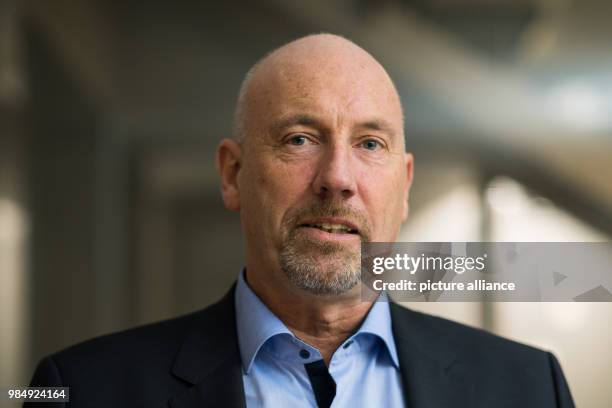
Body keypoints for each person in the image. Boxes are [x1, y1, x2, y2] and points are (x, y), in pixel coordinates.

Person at [27, 33, 574, 408]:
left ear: (404, 187)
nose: (337, 177)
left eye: (369, 143)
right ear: (233, 174)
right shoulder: (82, 391)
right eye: (299, 139)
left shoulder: (528, 387)